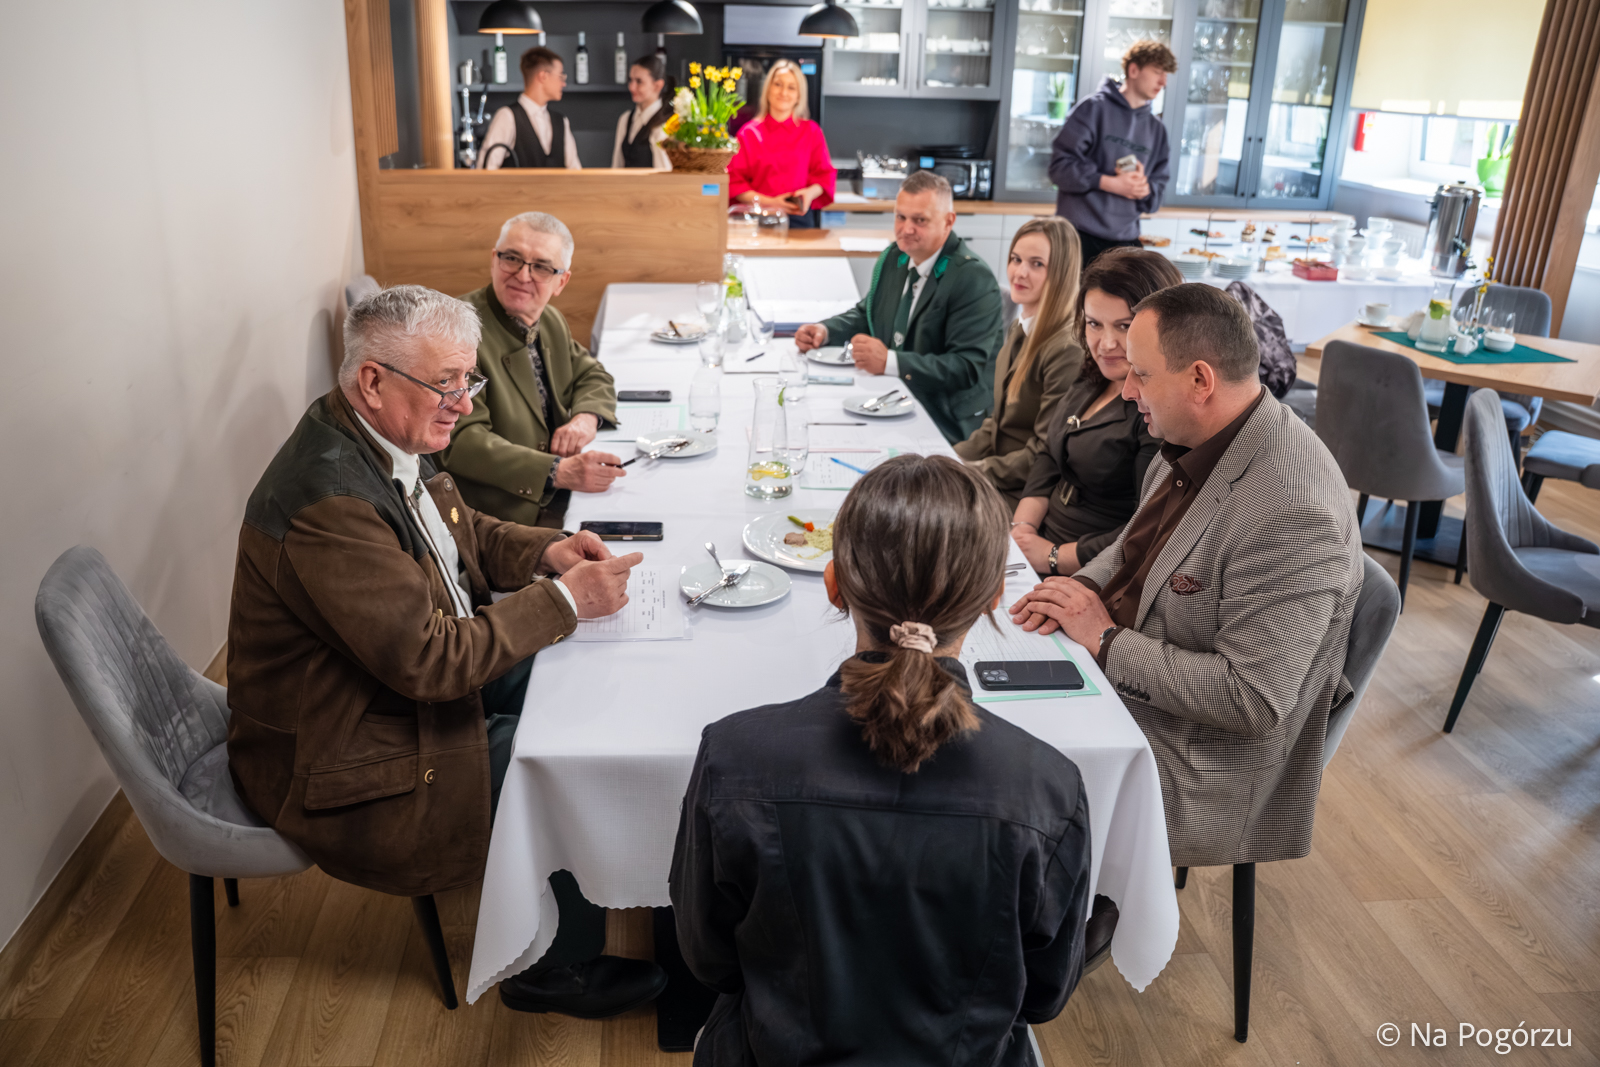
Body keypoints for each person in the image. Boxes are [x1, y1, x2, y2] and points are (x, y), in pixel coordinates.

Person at [226, 285, 666, 1018]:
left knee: (579, 681)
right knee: (546, 751)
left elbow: (459, 531)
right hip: (337, 750)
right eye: (447, 383)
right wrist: (563, 601)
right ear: (373, 380)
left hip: (383, 687)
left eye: (468, 380)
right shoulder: (330, 503)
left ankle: (615, 869)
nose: (463, 403)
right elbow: (429, 662)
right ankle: (551, 968)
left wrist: (548, 551)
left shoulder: (383, 435)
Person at [671, 454, 1108, 1066]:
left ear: (834, 585)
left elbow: (709, 958)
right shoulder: (1048, 787)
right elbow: (1043, 994)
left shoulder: (734, 755)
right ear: (993, 598)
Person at [1007, 283, 1364, 869]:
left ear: (1200, 380)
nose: (1127, 390)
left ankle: (1055, 916)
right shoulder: (1199, 435)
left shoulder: (1294, 510)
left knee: (993, 781)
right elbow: (1127, 548)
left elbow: (1252, 699)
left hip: (1199, 764)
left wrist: (1104, 639)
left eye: (1141, 375)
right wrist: (1073, 591)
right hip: (1125, 675)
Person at [795, 171, 1005, 444]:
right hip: (894, 397)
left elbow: (966, 368)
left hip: (947, 419)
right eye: (900, 217)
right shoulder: (895, 257)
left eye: (920, 220)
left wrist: (890, 362)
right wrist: (824, 331)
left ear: (948, 221)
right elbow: (868, 313)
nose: (906, 229)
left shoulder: (972, 278)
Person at [442, 212, 621, 528]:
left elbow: (592, 374)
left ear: (561, 281)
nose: (523, 276)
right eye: (512, 259)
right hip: (501, 517)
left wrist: (586, 418)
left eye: (541, 267)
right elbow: (459, 440)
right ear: (494, 260)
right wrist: (556, 471)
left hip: (558, 494)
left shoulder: (549, 320)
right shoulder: (457, 334)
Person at [1011, 248, 1177, 577]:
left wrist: (1054, 557)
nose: (1106, 343)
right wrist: (1023, 528)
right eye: (1094, 324)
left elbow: (1146, 525)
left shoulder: (1158, 412)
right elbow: (1049, 454)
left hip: (1089, 567)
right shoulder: (1093, 373)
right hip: (1040, 535)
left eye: (1124, 326)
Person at [953, 216, 1086, 508]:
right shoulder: (1021, 325)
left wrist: (971, 472)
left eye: (1037, 264)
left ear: (1061, 272)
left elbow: (1043, 453)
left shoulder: (1066, 348)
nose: (1019, 273)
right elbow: (997, 423)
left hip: (1025, 492)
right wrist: (950, 458)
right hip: (1000, 475)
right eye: (1016, 259)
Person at [1049, 40, 1176, 269]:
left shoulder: (1157, 130)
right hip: (1077, 237)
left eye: (1166, 75)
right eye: (1158, 72)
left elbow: (1156, 197)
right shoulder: (1092, 109)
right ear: (1133, 70)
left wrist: (1144, 188)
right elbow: (1059, 168)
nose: (1163, 82)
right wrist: (1110, 183)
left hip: (1125, 243)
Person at [726, 60, 835, 228]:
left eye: (791, 88)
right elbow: (734, 183)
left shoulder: (812, 132)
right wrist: (770, 203)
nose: (783, 92)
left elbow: (824, 177)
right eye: (778, 84)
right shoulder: (748, 133)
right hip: (757, 218)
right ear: (768, 89)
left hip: (799, 220)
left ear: (799, 96)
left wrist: (809, 193)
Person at [478, 46, 582, 169]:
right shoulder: (507, 116)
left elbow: (575, 172)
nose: (563, 84)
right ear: (543, 76)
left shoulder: (561, 121)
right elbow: (486, 170)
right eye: (560, 76)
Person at [612, 54, 672, 169]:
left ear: (657, 85)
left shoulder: (666, 124)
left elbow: (665, 172)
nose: (631, 87)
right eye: (630, 80)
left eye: (639, 81)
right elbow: (617, 166)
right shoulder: (625, 119)